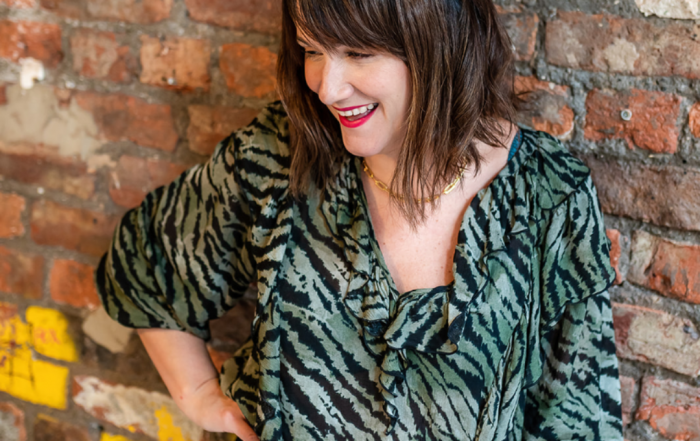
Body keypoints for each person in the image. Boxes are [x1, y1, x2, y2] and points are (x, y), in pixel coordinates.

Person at [96, 0, 624, 439]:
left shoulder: (549, 198)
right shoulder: (282, 155)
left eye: (359, 52)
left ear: (437, 41)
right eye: (311, 51)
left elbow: (579, 418)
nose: (327, 87)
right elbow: (147, 262)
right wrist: (200, 396)